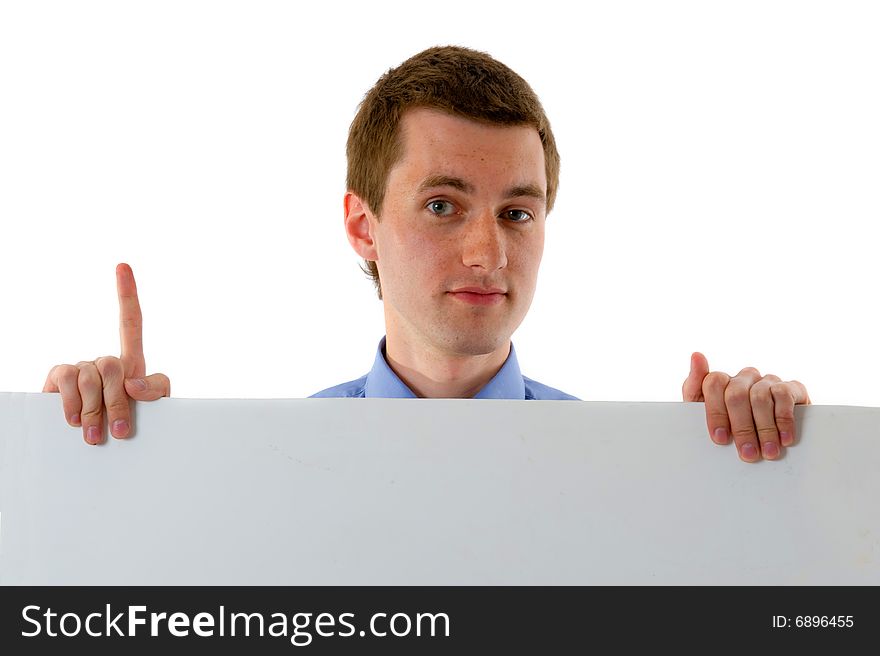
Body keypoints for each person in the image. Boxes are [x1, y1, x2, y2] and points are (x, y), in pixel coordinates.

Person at [42, 45, 811, 462]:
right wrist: (99, 467)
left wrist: (757, 480)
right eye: (442, 206)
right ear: (362, 226)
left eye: (518, 211)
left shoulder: (632, 466)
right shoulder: (268, 465)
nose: (488, 252)